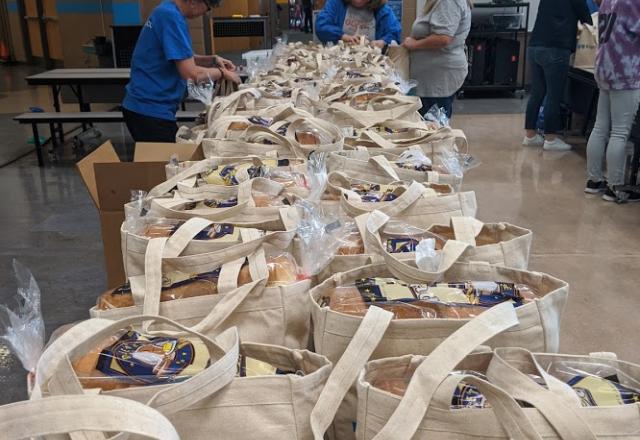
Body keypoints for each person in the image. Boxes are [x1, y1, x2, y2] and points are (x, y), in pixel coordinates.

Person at [122, 0, 241, 143]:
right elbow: (192, 74)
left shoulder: (166, 10)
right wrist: (223, 73)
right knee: (168, 162)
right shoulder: (171, 17)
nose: (205, 13)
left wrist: (212, 60)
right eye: (207, 8)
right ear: (193, 2)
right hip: (149, 109)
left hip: (145, 107)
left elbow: (179, 56)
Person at [585, 0, 640, 202]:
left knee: (600, 127)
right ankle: (615, 187)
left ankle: (594, 181)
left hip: (605, 67)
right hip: (625, 70)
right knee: (620, 131)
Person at [523, 0, 592, 151]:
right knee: (554, 96)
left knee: (536, 93)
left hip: (535, 46)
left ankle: (530, 135)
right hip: (556, 48)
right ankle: (550, 138)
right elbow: (588, 19)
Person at [403, 0, 472, 119]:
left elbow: (443, 38)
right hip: (432, 77)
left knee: (434, 128)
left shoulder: (449, 2)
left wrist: (414, 44)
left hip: (437, 79)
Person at [315, 0, 402, 49]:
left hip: (372, 63)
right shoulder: (336, 3)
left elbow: (395, 33)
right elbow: (321, 26)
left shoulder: (382, 9)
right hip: (338, 59)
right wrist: (343, 36)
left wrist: (383, 42)